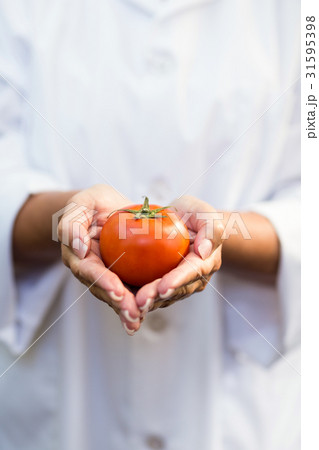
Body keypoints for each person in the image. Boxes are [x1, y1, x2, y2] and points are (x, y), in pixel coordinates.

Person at [0, 0, 300, 449]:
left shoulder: (299, 16)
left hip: (238, 413)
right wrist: (65, 215)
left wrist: (221, 231)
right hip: (58, 406)